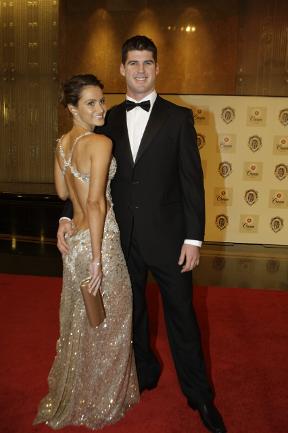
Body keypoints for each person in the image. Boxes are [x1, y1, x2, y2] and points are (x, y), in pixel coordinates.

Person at [58, 36, 226, 433]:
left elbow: (192, 183)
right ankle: (144, 372)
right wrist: (67, 216)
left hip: (170, 241)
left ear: (156, 67)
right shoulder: (108, 117)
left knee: (182, 318)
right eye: (132, 63)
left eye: (147, 62)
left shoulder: (179, 117)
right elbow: (85, 181)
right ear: (121, 68)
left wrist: (193, 238)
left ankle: (199, 394)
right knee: (130, 317)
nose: (140, 70)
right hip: (120, 240)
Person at [34, 74, 139, 430]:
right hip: (99, 242)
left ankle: (78, 393)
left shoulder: (63, 143)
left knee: (82, 322)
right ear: (72, 108)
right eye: (91, 103)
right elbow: (95, 203)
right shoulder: (99, 142)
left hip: (73, 243)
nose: (100, 108)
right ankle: (101, 401)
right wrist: (98, 259)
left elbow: (64, 193)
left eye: (101, 101)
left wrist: (65, 223)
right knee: (113, 319)